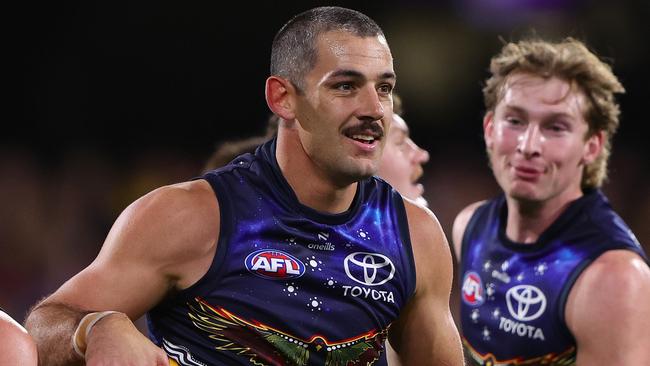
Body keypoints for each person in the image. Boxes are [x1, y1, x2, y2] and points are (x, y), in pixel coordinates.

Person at [26, 6, 464, 365]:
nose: (373, 109)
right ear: (282, 98)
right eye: (346, 86)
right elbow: (44, 328)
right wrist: (95, 327)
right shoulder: (191, 215)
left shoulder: (415, 235)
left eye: (383, 88)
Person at [452, 37, 650, 365]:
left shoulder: (615, 279)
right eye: (515, 121)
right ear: (490, 128)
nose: (529, 145)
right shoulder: (469, 227)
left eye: (555, 127)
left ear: (592, 145)